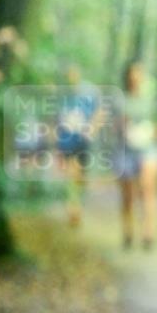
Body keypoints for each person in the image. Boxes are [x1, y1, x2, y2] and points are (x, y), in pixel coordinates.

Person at [119, 60, 157, 250]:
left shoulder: (151, 100)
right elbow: (113, 124)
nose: (136, 77)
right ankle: (128, 233)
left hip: (148, 149)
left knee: (147, 188)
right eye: (133, 73)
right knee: (128, 194)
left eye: (139, 73)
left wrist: (155, 131)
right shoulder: (121, 100)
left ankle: (148, 233)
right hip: (126, 150)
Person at [57, 64, 100, 228]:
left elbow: (98, 112)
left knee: (80, 175)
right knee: (71, 173)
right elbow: (58, 119)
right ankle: (73, 207)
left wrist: (91, 130)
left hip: (83, 140)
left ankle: (77, 203)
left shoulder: (89, 91)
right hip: (67, 140)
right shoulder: (63, 94)